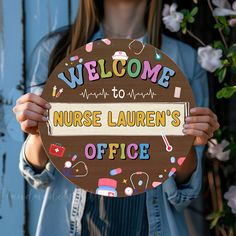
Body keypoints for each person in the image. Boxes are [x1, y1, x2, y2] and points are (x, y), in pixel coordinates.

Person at [13, 0, 220, 235]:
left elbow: (183, 194)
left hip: (149, 226)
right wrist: (38, 132)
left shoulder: (186, 60)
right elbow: (37, 175)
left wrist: (188, 143)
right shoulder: (57, 50)